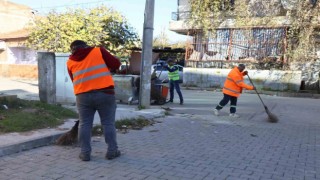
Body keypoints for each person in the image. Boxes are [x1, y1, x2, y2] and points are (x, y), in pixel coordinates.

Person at [67, 40, 121, 161]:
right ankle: (112, 151)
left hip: (83, 96)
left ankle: (85, 153)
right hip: (105, 94)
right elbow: (116, 64)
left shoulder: (70, 62)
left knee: (84, 124)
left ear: (73, 50)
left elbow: (73, 79)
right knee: (108, 123)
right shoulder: (98, 51)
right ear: (86, 45)